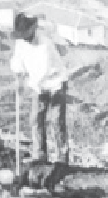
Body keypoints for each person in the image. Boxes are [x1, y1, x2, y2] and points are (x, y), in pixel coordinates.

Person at [10, 12, 69, 164]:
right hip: (38, 85)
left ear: (33, 29)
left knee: (56, 120)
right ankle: (39, 155)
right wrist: (18, 78)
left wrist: (31, 86)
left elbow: (43, 69)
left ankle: (61, 157)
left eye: (27, 33)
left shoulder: (45, 42)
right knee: (36, 119)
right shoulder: (21, 43)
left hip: (55, 82)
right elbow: (18, 61)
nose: (25, 37)